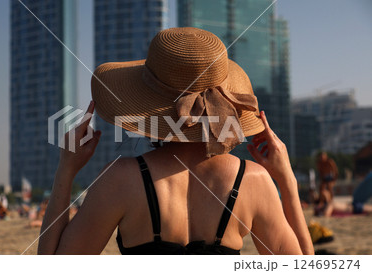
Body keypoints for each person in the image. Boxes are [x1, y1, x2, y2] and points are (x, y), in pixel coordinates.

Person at [37, 28, 313, 255]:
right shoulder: (254, 181)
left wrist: (67, 168)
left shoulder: (118, 180)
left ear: (146, 105)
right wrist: (286, 178)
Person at [316, 152, 338, 216]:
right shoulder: (320, 163)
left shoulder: (329, 162)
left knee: (329, 187)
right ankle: (322, 202)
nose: (322, 158)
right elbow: (320, 171)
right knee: (321, 188)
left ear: (326, 156)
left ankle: (331, 200)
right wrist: (321, 178)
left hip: (330, 176)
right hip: (324, 177)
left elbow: (335, 170)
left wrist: (334, 179)